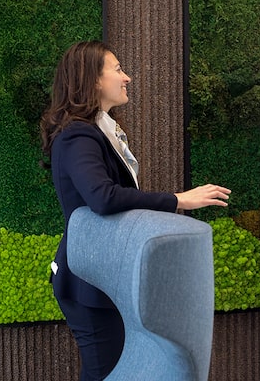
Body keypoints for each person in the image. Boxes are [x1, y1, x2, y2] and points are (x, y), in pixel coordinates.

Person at [39, 40, 231, 381]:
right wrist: (178, 200)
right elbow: (103, 197)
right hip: (88, 281)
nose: (126, 77)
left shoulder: (99, 129)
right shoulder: (78, 136)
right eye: (117, 70)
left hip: (104, 275)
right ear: (93, 80)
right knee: (103, 372)